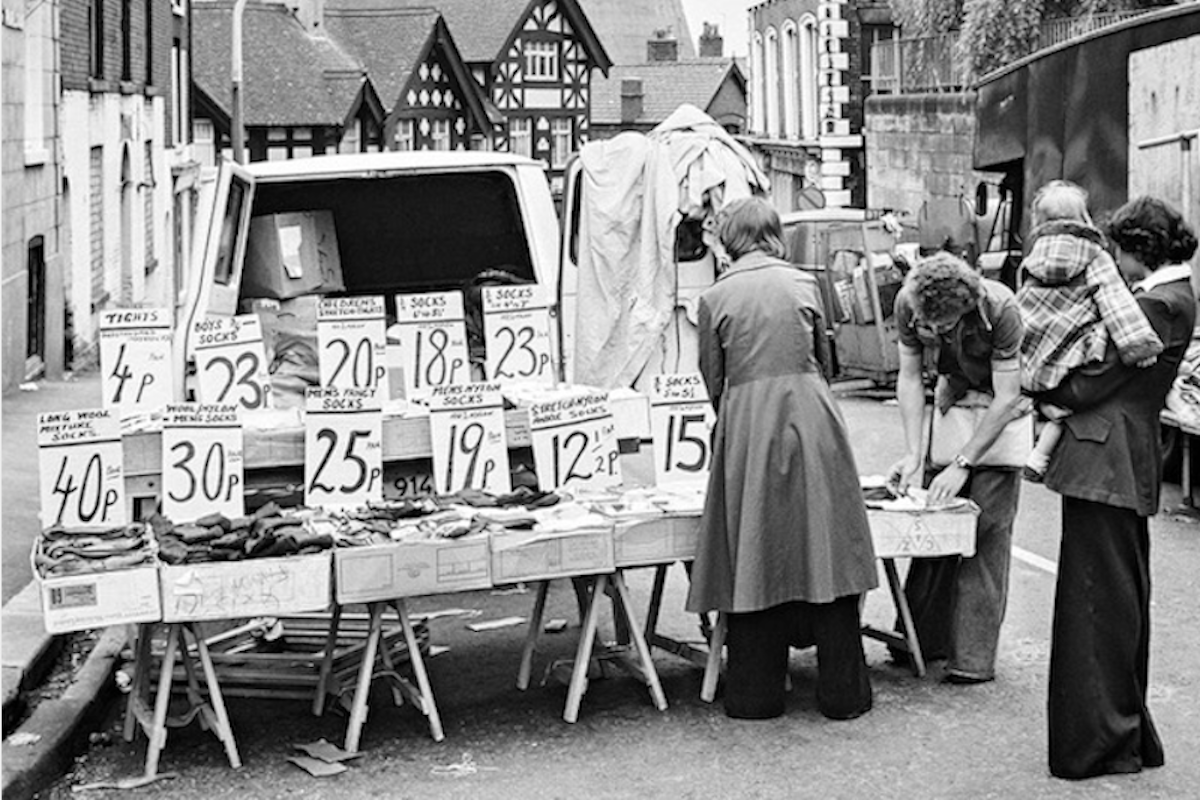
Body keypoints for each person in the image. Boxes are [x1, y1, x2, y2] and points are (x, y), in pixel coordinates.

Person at [685, 197, 877, 721]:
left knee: (754, 544)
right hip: (810, 413)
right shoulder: (804, 284)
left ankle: (756, 693)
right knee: (824, 543)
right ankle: (843, 692)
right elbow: (827, 360)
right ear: (773, 235)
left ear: (729, 239)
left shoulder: (716, 296)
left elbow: (713, 378)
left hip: (747, 415)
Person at [1040, 196, 1197, 780]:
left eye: (1121, 250)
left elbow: (1096, 378)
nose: (1114, 260)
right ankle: (1123, 733)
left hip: (1106, 461)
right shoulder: (1172, 299)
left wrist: (1049, 388)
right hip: (1121, 458)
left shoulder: (1158, 304)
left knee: (1093, 605)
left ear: (1141, 249)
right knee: (1114, 600)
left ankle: (1103, 740)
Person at [888, 252, 1026, 684]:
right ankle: (916, 641)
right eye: (927, 326)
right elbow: (910, 377)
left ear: (967, 305)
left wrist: (964, 463)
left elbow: (1007, 396)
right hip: (954, 408)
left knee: (986, 535)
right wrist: (914, 453)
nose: (933, 333)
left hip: (1000, 419)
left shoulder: (1002, 309)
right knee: (934, 530)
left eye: (943, 327)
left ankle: (972, 657)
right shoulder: (907, 303)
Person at [1017, 181, 1163, 481]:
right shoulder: (1096, 256)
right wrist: (1138, 346)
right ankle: (1041, 454)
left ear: (1039, 221)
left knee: (1045, 398)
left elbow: (1026, 304)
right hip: (1075, 350)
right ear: (1083, 218)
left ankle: (1038, 435)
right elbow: (1116, 303)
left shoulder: (1031, 260)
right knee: (1070, 397)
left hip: (1038, 352)